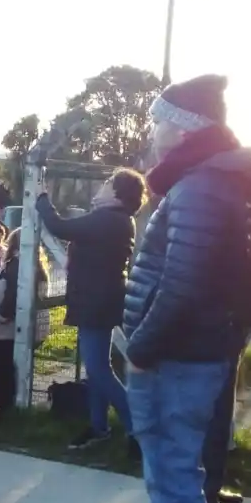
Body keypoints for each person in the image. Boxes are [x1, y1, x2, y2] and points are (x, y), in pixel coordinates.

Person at [123, 75, 251, 503]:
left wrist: (140, 349)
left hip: (173, 357)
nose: (153, 132)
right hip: (194, 351)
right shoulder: (213, 180)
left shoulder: (200, 186)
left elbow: (183, 283)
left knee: (170, 478)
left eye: (158, 122)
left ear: (184, 128)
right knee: (181, 472)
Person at [36, 169, 145, 455]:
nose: (103, 185)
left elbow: (58, 227)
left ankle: (138, 430)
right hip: (101, 301)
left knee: (98, 369)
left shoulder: (109, 219)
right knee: (97, 369)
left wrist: (41, 198)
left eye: (109, 183)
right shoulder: (117, 219)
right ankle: (100, 428)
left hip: (96, 303)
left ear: (119, 192)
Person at [0, 228, 47, 422]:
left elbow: (12, 295)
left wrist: (1, 315)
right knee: (5, 370)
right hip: (8, 329)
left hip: (1, 329)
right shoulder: (31, 265)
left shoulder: (15, 265)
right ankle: (4, 410)